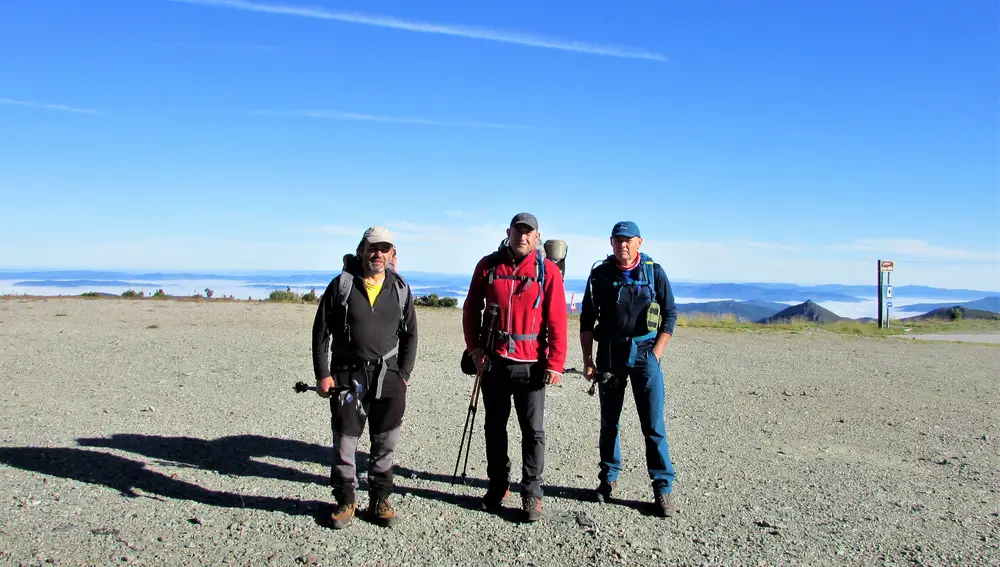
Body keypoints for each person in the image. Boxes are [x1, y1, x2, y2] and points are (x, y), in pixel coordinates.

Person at [462, 212, 568, 522]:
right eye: (518, 231)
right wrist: (475, 350)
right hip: (494, 362)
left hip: (531, 364)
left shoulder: (547, 272)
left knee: (532, 431)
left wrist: (556, 363)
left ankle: (532, 492)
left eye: (528, 232)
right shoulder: (488, 265)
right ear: (508, 232)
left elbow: (557, 319)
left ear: (537, 236)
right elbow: (471, 309)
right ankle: (498, 486)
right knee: (494, 427)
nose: (522, 237)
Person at [311, 226, 418, 529]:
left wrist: (404, 374)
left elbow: (411, 334)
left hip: (389, 377)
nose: (378, 254)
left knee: (386, 440)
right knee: (345, 440)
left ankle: (380, 499)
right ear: (361, 250)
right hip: (347, 376)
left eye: (385, 249)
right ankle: (346, 500)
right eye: (373, 248)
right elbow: (321, 333)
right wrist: (322, 374)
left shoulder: (400, 288)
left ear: (391, 254)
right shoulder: (341, 286)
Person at [579, 220, 679, 517]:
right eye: (618, 240)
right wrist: (587, 359)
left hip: (645, 353)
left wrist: (657, 351)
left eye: (628, 240)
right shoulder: (600, 274)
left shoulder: (653, 272)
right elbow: (586, 319)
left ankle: (662, 490)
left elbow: (670, 313)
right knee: (610, 422)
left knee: (653, 425)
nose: (623, 245)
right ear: (611, 243)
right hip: (609, 353)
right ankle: (608, 480)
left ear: (639, 242)